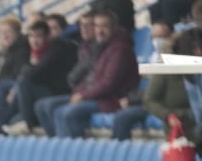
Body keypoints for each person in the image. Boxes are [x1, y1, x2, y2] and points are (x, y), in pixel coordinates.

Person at [49, 10, 139, 139]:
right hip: (98, 97)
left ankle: (78, 153)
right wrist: (79, 93)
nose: (99, 30)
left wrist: (83, 96)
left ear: (114, 28)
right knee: (58, 111)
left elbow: (109, 83)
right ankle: (64, 152)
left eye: (104, 26)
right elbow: (90, 78)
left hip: (112, 100)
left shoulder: (120, 49)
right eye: (97, 26)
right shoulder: (102, 46)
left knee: (69, 113)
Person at [5, 19, 76, 135]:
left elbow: (35, 73)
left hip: (58, 92)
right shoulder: (30, 51)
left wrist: (28, 69)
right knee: (11, 121)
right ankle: (12, 122)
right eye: (31, 36)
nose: (34, 41)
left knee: (23, 83)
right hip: (42, 93)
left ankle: (29, 124)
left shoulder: (56, 48)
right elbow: (23, 70)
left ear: (48, 36)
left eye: (38, 36)